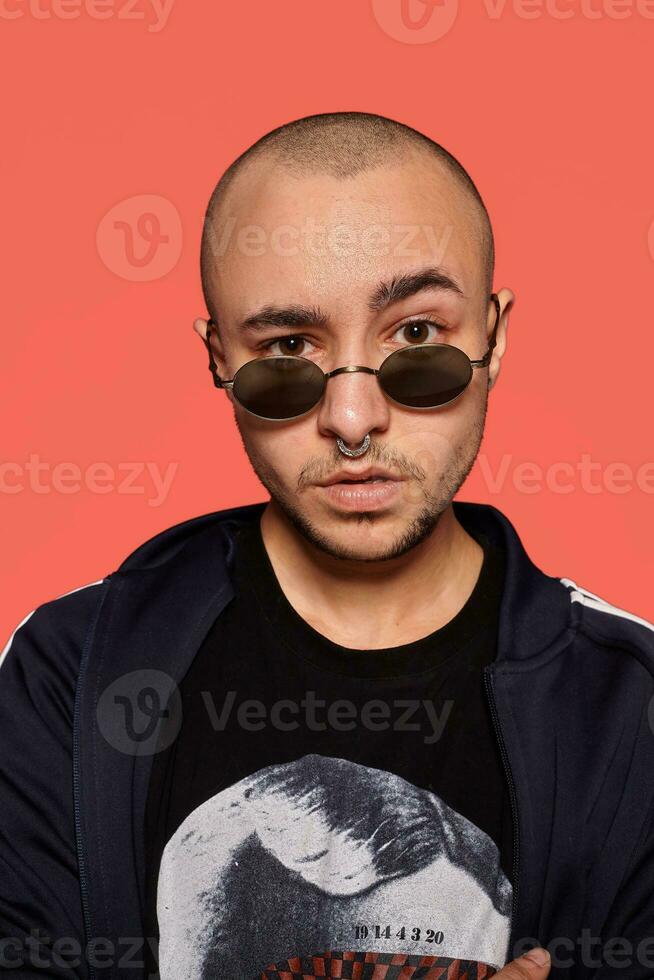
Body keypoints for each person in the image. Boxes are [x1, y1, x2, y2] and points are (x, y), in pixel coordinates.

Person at [1, 112, 653, 980]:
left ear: (493, 336)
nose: (352, 419)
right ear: (217, 360)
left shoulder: (628, 707)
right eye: (287, 350)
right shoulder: (69, 672)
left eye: (418, 337)